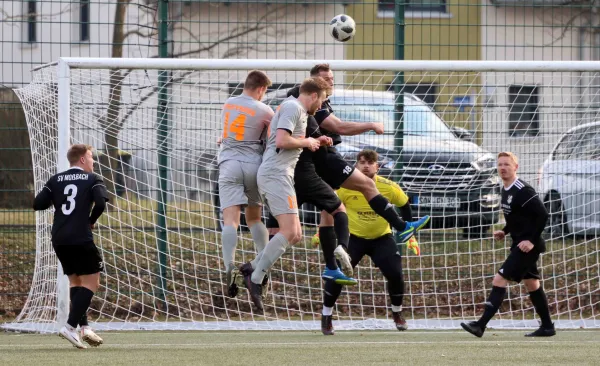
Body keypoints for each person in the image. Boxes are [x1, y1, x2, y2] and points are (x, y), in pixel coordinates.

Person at [267, 64, 429, 277]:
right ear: (314, 82)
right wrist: (370, 124)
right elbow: (339, 127)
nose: (330, 82)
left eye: (332, 78)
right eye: (326, 78)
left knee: (326, 214)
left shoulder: (304, 99)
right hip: (322, 159)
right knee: (366, 185)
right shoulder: (309, 99)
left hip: (305, 164)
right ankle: (401, 226)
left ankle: (330, 267)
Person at [239, 76, 330, 312]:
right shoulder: (293, 107)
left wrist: (313, 140)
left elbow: (287, 139)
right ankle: (256, 278)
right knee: (289, 231)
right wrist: (308, 141)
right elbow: (281, 139)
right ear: (313, 95)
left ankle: (251, 267)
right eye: (322, 100)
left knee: (295, 234)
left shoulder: (296, 109)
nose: (321, 106)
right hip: (275, 174)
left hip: (280, 175)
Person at [320, 149, 421, 335]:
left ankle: (397, 313)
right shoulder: (345, 186)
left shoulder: (389, 187)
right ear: (355, 165)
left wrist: (410, 234)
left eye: (370, 162)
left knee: (396, 274)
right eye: (362, 162)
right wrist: (322, 234)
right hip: (354, 238)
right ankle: (326, 316)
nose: (366, 166)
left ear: (378, 166)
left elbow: (405, 205)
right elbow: (329, 207)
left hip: (382, 238)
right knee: (337, 273)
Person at [460, 151, 554, 338]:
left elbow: (542, 215)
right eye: (500, 164)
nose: (502, 168)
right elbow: (516, 216)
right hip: (519, 243)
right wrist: (505, 230)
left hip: (527, 246)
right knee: (532, 284)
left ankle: (480, 325)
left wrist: (531, 240)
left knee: (499, 279)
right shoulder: (505, 188)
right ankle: (547, 327)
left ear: (515, 167)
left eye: (507, 164)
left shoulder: (523, 189)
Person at [33, 144, 108, 348]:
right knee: (92, 283)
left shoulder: (56, 179)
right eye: (91, 157)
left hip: (59, 238)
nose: (93, 161)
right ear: (82, 159)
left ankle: (84, 328)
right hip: (80, 237)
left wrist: (56, 197)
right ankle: (70, 326)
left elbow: (38, 204)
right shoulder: (93, 179)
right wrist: (91, 220)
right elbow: (101, 203)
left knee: (76, 282)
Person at [217, 70, 275, 298]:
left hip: (229, 164)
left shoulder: (228, 103)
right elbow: (273, 138)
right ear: (261, 89)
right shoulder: (265, 110)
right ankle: (262, 264)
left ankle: (228, 265)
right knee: (254, 218)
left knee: (230, 220)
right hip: (254, 166)